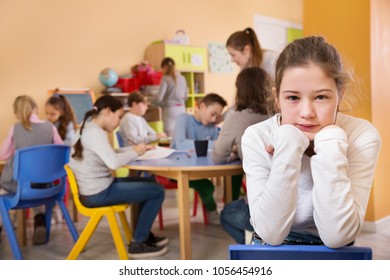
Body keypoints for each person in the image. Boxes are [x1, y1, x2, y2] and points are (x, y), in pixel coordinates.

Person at [242, 36, 381, 248]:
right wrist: (288, 144)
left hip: (332, 253)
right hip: (273, 250)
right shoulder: (257, 136)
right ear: (276, 98)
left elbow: (338, 237)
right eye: (293, 98)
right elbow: (270, 233)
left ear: (340, 94)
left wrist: (330, 142)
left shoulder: (361, 136)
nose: (307, 113)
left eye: (321, 97)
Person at [68, 95, 168, 258]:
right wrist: (135, 151)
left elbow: (110, 152)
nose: (120, 122)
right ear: (107, 112)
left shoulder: (89, 127)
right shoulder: (95, 133)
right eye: (119, 117)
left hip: (97, 188)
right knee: (158, 190)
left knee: (149, 182)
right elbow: (113, 163)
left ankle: (141, 234)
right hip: (97, 194)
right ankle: (138, 243)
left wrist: (135, 150)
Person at [212, 67, 273, 244]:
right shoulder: (279, 114)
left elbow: (218, 156)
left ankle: (255, 246)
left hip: (259, 204)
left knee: (226, 214)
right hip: (291, 202)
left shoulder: (237, 117)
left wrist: (235, 153)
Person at [0, 95, 63, 245]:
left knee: (4, 189)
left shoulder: (15, 128)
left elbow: (4, 154)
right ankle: (39, 220)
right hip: (46, 185)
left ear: (17, 113)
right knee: (34, 182)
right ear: (36, 109)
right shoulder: (50, 127)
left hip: (20, 186)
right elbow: (60, 151)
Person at [171, 93, 227, 225]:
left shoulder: (211, 127)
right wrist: (211, 144)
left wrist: (197, 145)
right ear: (202, 106)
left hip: (200, 167)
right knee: (206, 186)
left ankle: (224, 212)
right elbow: (181, 144)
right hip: (177, 169)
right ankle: (212, 210)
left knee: (209, 183)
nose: (214, 119)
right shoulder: (183, 119)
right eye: (212, 113)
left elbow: (218, 146)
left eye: (217, 116)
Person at [155, 57, 188, 137]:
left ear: (164, 67)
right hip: (182, 109)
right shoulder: (182, 78)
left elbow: (159, 99)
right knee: (180, 136)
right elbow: (186, 97)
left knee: (169, 138)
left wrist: (149, 100)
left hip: (170, 110)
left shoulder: (165, 78)